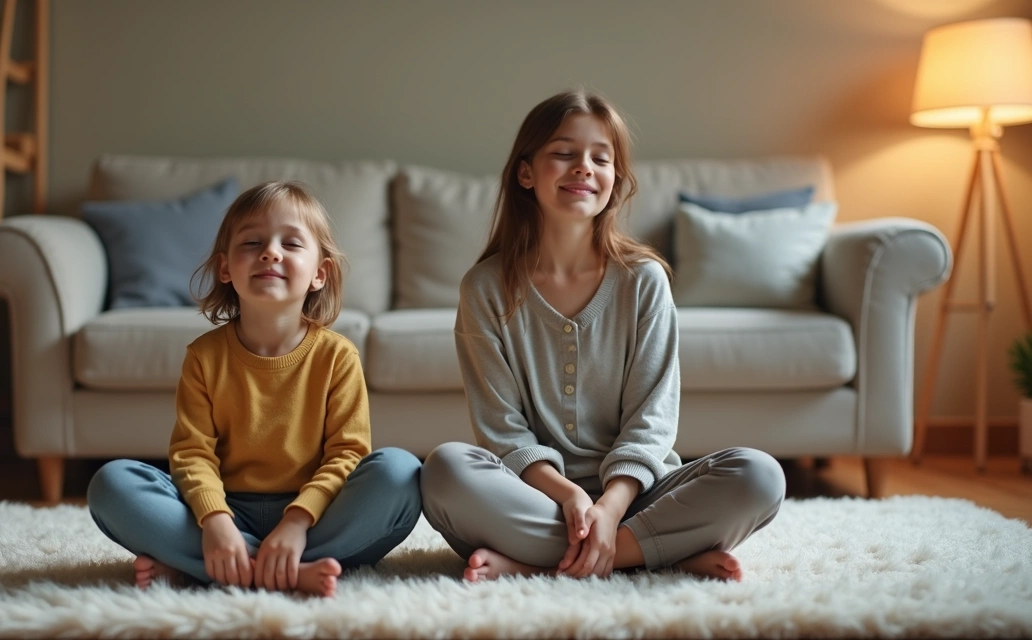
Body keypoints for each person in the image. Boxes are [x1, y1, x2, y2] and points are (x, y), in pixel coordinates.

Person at [420, 90, 785, 583]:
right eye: (564, 153)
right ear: (525, 173)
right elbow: (502, 431)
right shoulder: (485, 288)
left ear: (615, 179)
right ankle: (658, 553)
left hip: (636, 497)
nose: (583, 168)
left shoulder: (644, 280)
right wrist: (570, 496)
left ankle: (544, 562)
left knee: (760, 475)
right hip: (534, 497)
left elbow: (652, 422)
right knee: (444, 470)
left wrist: (610, 509)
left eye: (600, 157)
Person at [88, 181, 422, 597]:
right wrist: (215, 523)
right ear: (226, 268)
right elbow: (192, 454)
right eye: (252, 242)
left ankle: (214, 568)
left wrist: (297, 522)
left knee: (401, 473)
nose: (270, 252)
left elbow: (348, 454)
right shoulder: (203, 357)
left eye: (291, 243)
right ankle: (272, 568)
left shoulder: (338, 356)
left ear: (320, 273)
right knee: (112, 484)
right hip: (226, 511)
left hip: (318, 516)